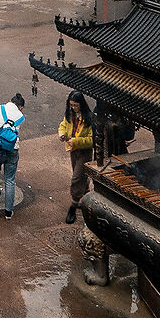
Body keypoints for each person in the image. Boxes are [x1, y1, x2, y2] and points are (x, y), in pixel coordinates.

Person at [0, 92, 26, 219]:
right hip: (12, 149)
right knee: (10, 180)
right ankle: (9, 212)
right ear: (21, 107)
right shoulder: (21, 116)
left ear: (10, 101)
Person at [58, 94, 95, 224]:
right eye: (71, 105)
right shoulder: (70, 114)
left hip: (84, 152)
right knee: (82, 178)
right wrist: (62, 134)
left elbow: (92, 140)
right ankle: (87, 202)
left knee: (76, 178)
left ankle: (73, 205)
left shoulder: (89, 119)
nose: (73, 108)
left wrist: (76, 141)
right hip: (73, 150)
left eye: (76, 105)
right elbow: (63, 125)